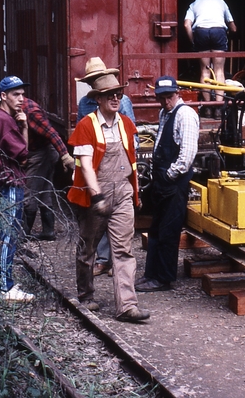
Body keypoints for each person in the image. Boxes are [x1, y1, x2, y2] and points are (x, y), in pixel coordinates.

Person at [67, 62, 150, 323]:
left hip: (123, 192)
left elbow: (132, 161)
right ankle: (86, 294)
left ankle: (127, 305)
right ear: (99, 99)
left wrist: (134, 193)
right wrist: (97, 196)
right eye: (110, 95)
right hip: (95, 196)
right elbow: (87, 168)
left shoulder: (126, 124)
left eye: (118, 95)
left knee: (124, 250)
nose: (116, 99)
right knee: (87, 249)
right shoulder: (86, 126)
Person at [135, 76, 199, 292]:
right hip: (162, 182)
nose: (165, 102)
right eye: (161, 98)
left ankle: (163, 278)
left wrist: (171, 175)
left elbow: (187, 154)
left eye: (169, 97)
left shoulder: (186, 115)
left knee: (169, 232)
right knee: (155, 230)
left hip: (174, 183)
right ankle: (151, 274)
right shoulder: (164, 114)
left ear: (177, 93)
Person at [76, 57, 137, 276]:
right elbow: (83, 140)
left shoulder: (123, 106)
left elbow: (130, 136)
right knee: (89, 242)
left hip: (120, 181)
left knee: (123, 244)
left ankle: (127, 303)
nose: (94, 82)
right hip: (97, 176)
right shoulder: (85, 104)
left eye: (97, 78)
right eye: (92, 80)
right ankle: (95, 274)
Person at [0, 75, 34, 302]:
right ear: (3, 96)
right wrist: (24, 126)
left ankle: (0, 282)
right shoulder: (4, 121)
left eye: (22, 94)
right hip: (10, 182)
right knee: (8, 234)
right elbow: (23, 155)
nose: (21, 99)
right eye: (16, 94)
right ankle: (5, 287)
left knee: (1, 234)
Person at [22, 97, 75, 241]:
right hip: (39, 150)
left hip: (43, 152)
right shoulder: (18, 107)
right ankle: (48, 231)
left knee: (30, 192)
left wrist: (65, 156)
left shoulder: (30, 111)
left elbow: (52, 133)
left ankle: (22, 234)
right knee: (44, 190)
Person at [184, 0, 237, 111]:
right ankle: (219, 107)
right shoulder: (221, 1)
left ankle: (207, 107)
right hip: (218, 31)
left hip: (201, 32)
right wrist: (231, 31)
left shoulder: (195, 3)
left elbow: (186, 24)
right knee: (219, 70)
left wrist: (194, 41)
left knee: (205, 71)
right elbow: (233, 27)